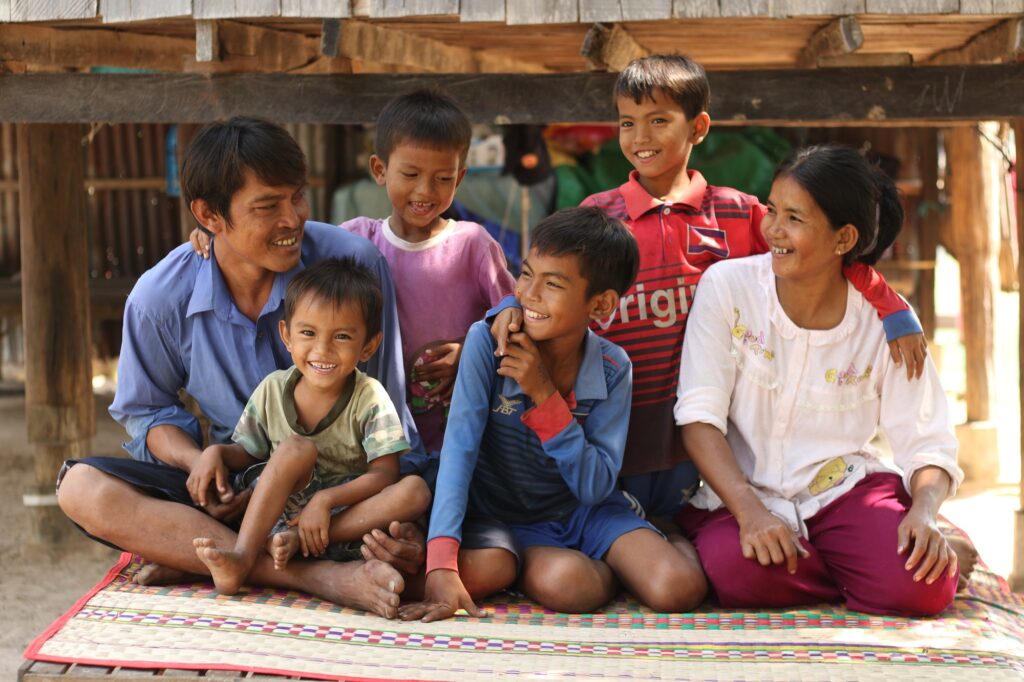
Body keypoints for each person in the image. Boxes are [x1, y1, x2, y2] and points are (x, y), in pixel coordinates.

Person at [491, 54, 927, 527]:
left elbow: (822, 256)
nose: (640, 137)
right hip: (614, 420)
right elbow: (546, 279)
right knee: (620, 532)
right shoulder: (599, 214)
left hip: (700, 432)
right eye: (627, 123)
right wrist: (509, 306)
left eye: (659, 121)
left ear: (698, 127)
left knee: (688, 535)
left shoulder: (739, 214)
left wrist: (890, 308)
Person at [56, 117, 423, 618]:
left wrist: (380, 520)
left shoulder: (349, 264)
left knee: (409, 513)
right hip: (232, 487)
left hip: (338, 496)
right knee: (80, 488)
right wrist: (197, 463)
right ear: (209, 214)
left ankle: (199, 554)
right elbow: (148, 413)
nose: (292, 218)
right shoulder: (159, 297)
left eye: (297, 197)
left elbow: (387, 404)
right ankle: (322, 579)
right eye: (268, 206)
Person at [674, 145, 962, 616]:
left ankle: (862, 565)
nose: (772, 230)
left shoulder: (888, 323)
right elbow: (699, 418)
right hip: (741, 492)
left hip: (843, 492)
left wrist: (925, 511)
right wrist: (750, 513)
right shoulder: (728, 288)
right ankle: (858, 571)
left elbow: (927, 441)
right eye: (771, 210)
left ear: (843, 238)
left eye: (794, 218)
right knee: (737, 573)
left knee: (921, 586)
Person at [399, 207, 707, 623]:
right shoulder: (488, 344)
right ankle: (586, 567)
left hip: (585, 511)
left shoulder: (614, 368)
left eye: (553, 284)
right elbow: (458, 454)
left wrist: (545, 397)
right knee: (570, 586)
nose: (529, 295)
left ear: (600, 304)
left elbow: (596, 486)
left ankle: (665, 532)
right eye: (526, 275)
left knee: (678, 589)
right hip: (503, 517)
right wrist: (441, 561)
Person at [193, 258, 431, 595]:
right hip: (279, 513)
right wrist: (215, 453)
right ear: (286, 336)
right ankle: (242, 557)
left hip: (346, 520)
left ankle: (298, 543)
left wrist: (325, 500)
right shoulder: (273, 389)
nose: (322, 349)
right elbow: (248, 454)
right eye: (308, 333)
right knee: (295, 448)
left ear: (369, 346)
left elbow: (385, 474)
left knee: (416, 490)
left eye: (342, 336)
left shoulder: (369, 396)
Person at [341, 88, 516, 462]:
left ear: (460, 177)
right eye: (410, 174)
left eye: (442, 178)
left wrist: (473, 353)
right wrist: (208, 240)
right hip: (374, 442)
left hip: (461, 439)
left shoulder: (473, 244)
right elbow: (290, 256)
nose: (425, 190)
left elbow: (512, 319)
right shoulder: (356, 239)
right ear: (379, 169)